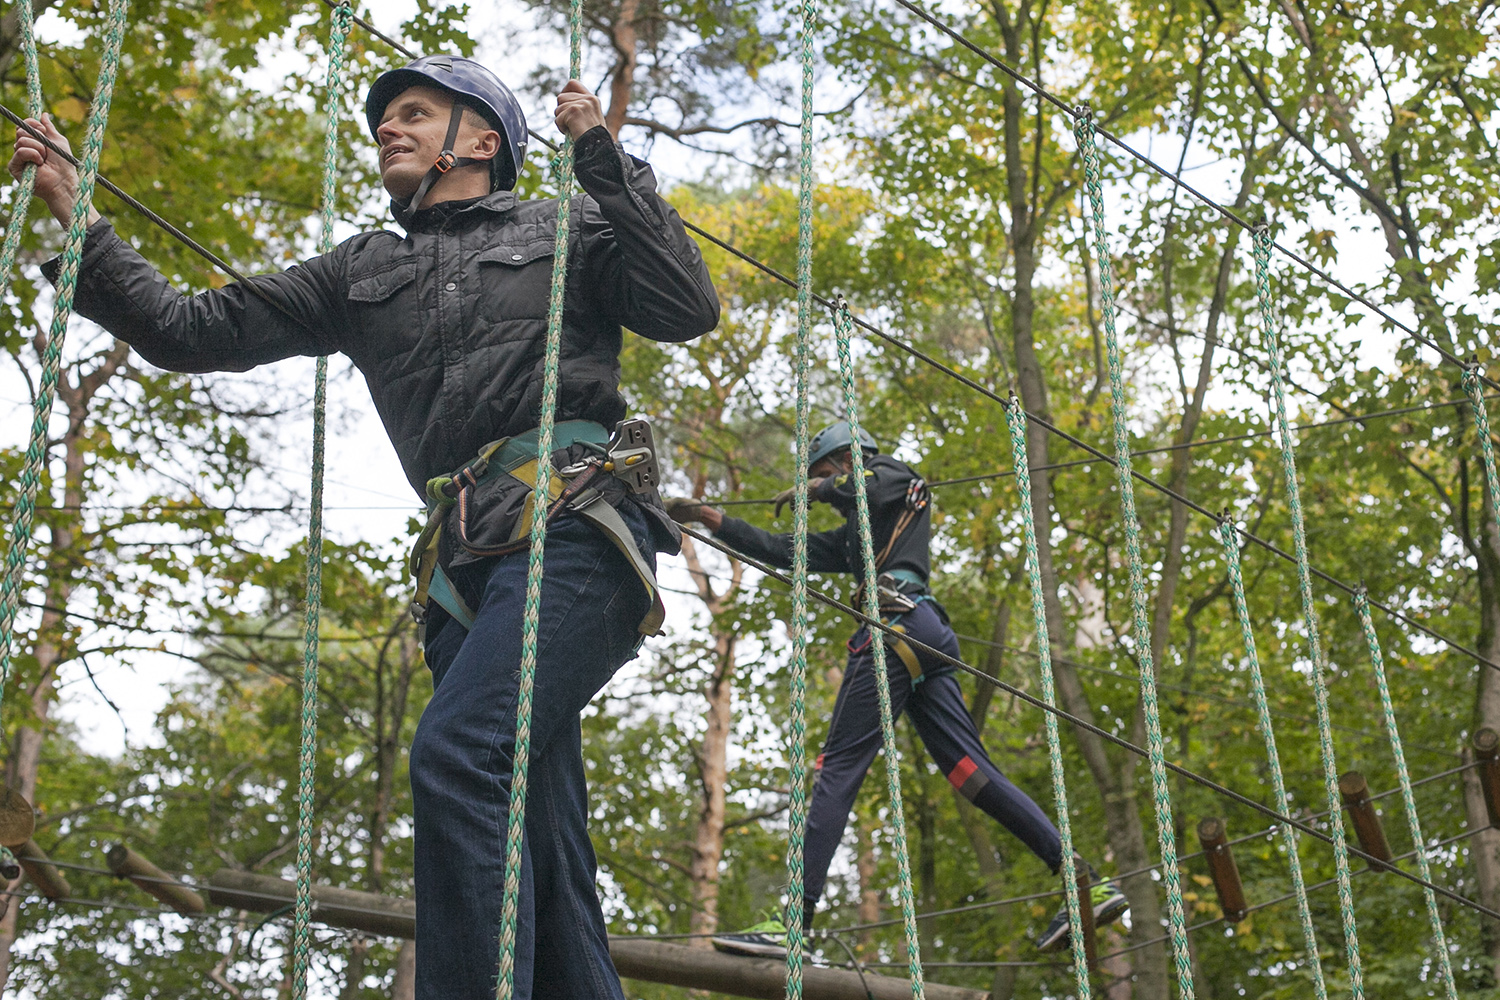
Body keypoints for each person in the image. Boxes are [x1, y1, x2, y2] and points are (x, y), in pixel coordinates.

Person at [11, 56, 718, 999]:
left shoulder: (569, 224)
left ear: (482, 141)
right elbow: (189, 329)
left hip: (576, 529)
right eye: (385, 119)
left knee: (460, 754)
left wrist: (600, 156)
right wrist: (78, 214)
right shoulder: (361, 270)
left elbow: (686, 306)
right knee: (544, 846)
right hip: (465, 572)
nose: (388, 129)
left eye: (415, 114)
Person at [667, 424, 1127, 955]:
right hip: (923, 634)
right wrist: (707, 517)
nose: (821, 489)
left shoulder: (894, 479)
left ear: (845, 460)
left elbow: (872, 484)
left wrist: (819, 489)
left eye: (824, 473)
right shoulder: (862, 535)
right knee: (973, 774)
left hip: (895, 626)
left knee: (838, 766)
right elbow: (781, 549)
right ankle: (1084, 880)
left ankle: (795, 922)